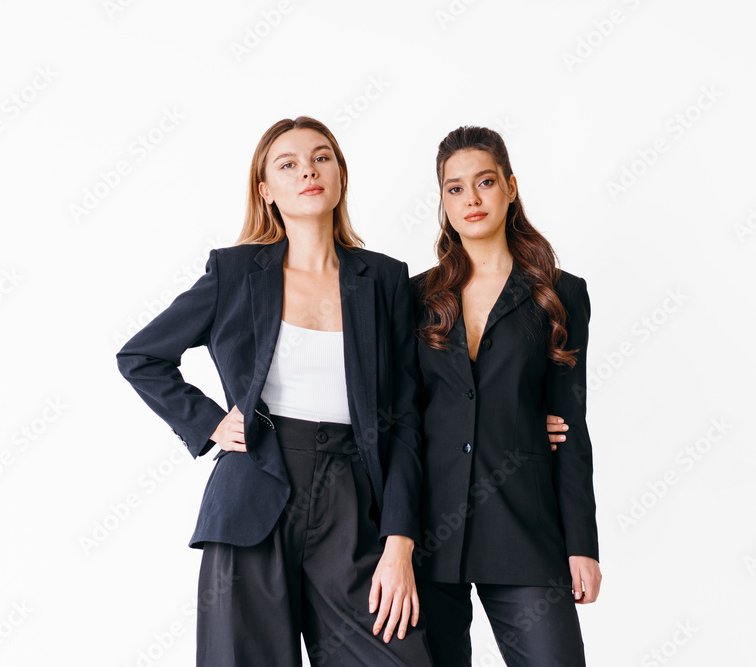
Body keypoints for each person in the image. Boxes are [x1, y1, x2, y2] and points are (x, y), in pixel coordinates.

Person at [116, 116, 433, 667]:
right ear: (265, 189)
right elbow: (142, 356)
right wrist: (209, 421)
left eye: (321, 157)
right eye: (287, 164)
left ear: (340, 175)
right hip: (254, 492)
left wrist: (400, 541)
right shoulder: (235, 272)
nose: (307, 170)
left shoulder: (384, 280)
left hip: (355, 505)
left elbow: (405, 419)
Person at [410, 125, 601, 666]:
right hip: (428, 535)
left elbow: (572, 424)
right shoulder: (412, 296)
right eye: (454, 188)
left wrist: (581, 544)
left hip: (524, 528)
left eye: (485, 181)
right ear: (443, 200)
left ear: (511, 187)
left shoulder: (561, 294)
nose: (471, 199)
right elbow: (400, 414)